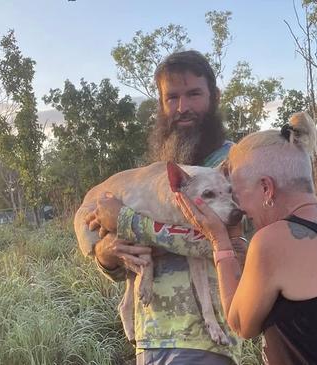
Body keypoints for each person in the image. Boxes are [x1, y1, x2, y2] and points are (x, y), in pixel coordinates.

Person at [174, 112, 317, 364]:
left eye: (238, 193)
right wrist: (240, 247)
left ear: (266, 188)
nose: (238, 206)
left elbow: (240, 323)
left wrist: (218, 240)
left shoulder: (273, 240)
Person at [80, 50, 245, 365]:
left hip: (206, 343)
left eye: (193, 94)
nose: (182, 108)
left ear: (215, 97)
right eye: (172, 98)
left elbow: (235, 244)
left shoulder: (238, 165)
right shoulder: (152, 178)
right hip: (149, 340)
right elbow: (120, 266)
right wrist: (108, 253)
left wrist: (127, 222)